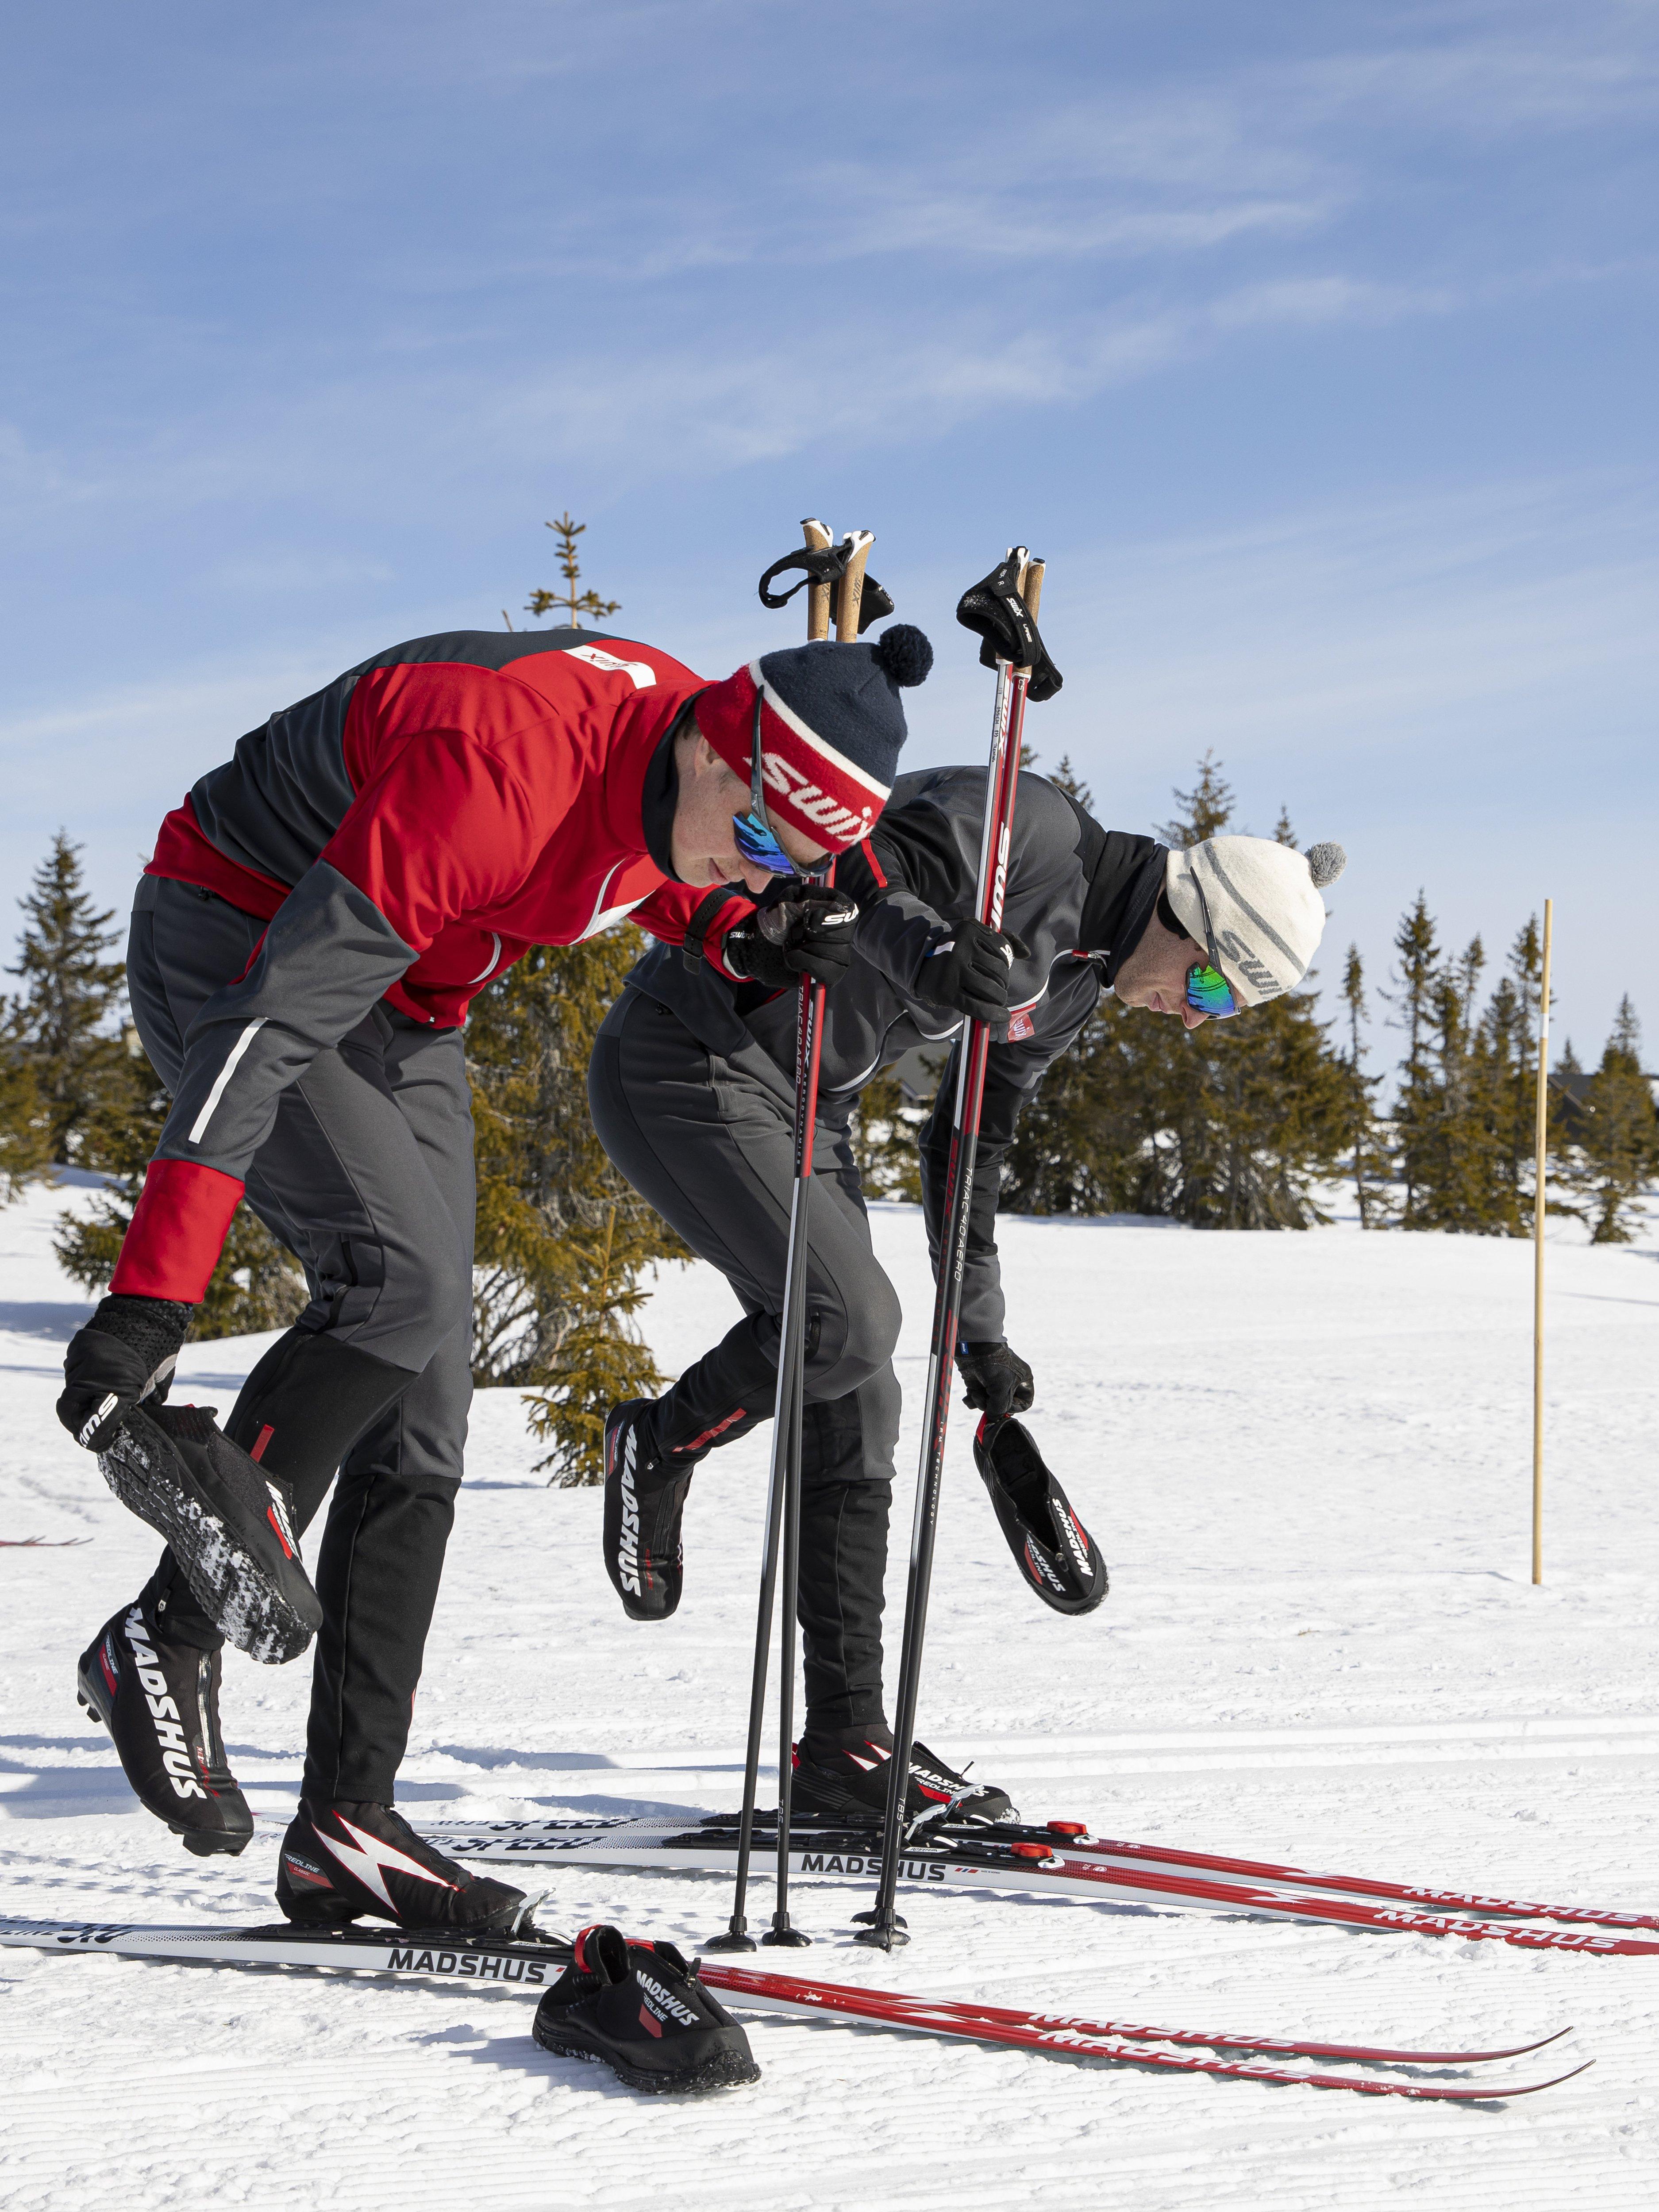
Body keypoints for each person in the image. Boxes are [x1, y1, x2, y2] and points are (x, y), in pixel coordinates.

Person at [57, 617, 932, 1928]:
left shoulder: (696, 772)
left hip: (409, 999)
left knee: (430, 1403)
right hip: (236, 937)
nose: (762, 870)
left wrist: (738, 934)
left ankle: (346, 1827)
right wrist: (153, 1294)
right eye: (756, 841)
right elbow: (272, 1017)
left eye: (791, 863)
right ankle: (163, 1642)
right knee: (395, 1290)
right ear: (710, 748)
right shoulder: (495, 766)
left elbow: (649, 868)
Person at [589, 764, 1344, 1820]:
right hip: (695, 1048)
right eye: (1215, 986)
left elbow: (966, 1153)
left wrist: (981, 1339)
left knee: (864, 1391)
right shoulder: (1028, 831)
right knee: (843, 1319)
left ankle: (846, 1747)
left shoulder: (1075, 987)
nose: (1198, 1019)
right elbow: (850, 860)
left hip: (812, 1106)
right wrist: (937, 952)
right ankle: (660, 1442)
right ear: (1189, 914)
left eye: (1231, 1009)